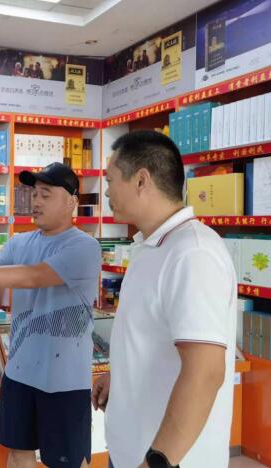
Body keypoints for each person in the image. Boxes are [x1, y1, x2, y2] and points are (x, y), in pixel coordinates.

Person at [92, 131, 236, 468]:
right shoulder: (150, 245)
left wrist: (157, 462)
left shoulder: (193, 254)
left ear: (141, 180)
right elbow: (153, 335)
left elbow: (205, 372)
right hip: (130, 451)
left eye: (110, 180)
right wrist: (121, 377)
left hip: (165, 459)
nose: (107, 191)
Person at [0, 163, 101, 468]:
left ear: (71, 202)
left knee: (68, 463)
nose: (36, 201)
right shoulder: (19, 242)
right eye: (34, 194)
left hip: (65, 381)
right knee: (18, 455)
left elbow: (33, 277)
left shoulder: (85, 247)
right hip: (18, 373)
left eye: (46, 194)